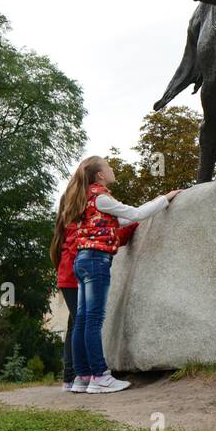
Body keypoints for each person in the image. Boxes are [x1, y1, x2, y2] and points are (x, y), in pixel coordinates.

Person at [67, 157, 180, 393]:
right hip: (97, 261)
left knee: (83, 319)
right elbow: (137, 213)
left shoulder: (85, 198)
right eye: (108, 166)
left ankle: (83, 376)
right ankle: (100, 376)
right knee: (94, 320)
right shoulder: (103, 198)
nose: (112, 169)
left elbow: (120, 221)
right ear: (99, 175)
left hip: (81, 260)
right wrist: (165, 199)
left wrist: (150, 209)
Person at [48, 159, 138, 391]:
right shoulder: (87, 207)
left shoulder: (74, 208)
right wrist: (133, 223)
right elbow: (108, 232)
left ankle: (78, 377)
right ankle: (85, 375)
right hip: (77, 270)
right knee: (84, 322)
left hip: (70, 271)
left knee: (77, 323)